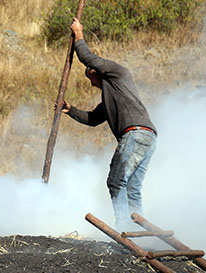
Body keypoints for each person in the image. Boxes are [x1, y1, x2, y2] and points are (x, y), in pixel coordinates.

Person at [58, 18, 157, 232]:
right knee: (132, 188)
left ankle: (124, 228)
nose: (91, 83)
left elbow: (87, 57)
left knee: (115, 182)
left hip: (135, 133)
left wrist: (78, 34)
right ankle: (140, 229)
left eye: (91, 77)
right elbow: (93, 119)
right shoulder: (112, 96)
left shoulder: (117, 72)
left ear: (97, 72)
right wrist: (70, 110)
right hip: (147, 136)